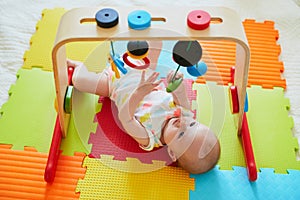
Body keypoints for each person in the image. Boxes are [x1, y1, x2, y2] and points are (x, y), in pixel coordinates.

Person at [68, 41, 220, 174]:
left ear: (172, 153)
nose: (183, 124)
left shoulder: (149, 138)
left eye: (181, 135)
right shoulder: (184, 116)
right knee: (156, 43)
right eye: (193, 124)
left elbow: (125, 117)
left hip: (113, 85)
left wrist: (139, 93)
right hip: (144, 70)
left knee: (80, 81)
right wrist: (176, 84)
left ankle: (78, 66)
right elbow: (180, 93)